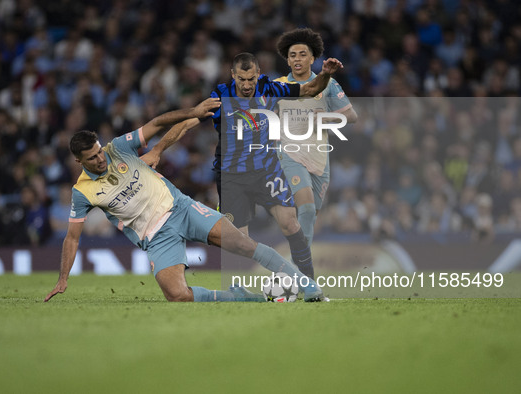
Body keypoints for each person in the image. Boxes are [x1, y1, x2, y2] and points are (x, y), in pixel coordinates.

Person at [44, 99, 324, 303]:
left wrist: (192, 114)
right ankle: (241, 299)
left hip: (181, 208)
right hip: (155, 238)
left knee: (242, 243)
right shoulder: (82, 192)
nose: (100, 158)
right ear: (78, 161)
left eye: (98, 152)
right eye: (92, 158)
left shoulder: (118, 148)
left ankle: (307, 285)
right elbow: (71, 238)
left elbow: (155, 123)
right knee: (177, 295)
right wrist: (63, 278)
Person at [209, 52, 342, 279]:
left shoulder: (270, 88)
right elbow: (192, 117)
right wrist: (159, 147)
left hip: (266, 170)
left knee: (291, 223)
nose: (247, 84)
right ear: (233, 75)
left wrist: (325, 75)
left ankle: (309, 282)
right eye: (241, 79)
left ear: (258, 73)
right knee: (238, 241)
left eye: (251, 78)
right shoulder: (220, 95)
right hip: (232, 176)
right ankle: (237, 288)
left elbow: (309, 89)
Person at [274, 28, 358, 246]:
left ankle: (295, 268)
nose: (297, 59)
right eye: (293, 55)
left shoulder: (328, 84)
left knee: (309, 217)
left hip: (319, 160)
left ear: (312, 58)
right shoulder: (278, 86)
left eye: (303, 54)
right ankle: (300, 273)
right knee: (307, 208)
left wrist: (327, 118)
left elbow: (352, 115)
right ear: (288, 61)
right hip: (289, 155)